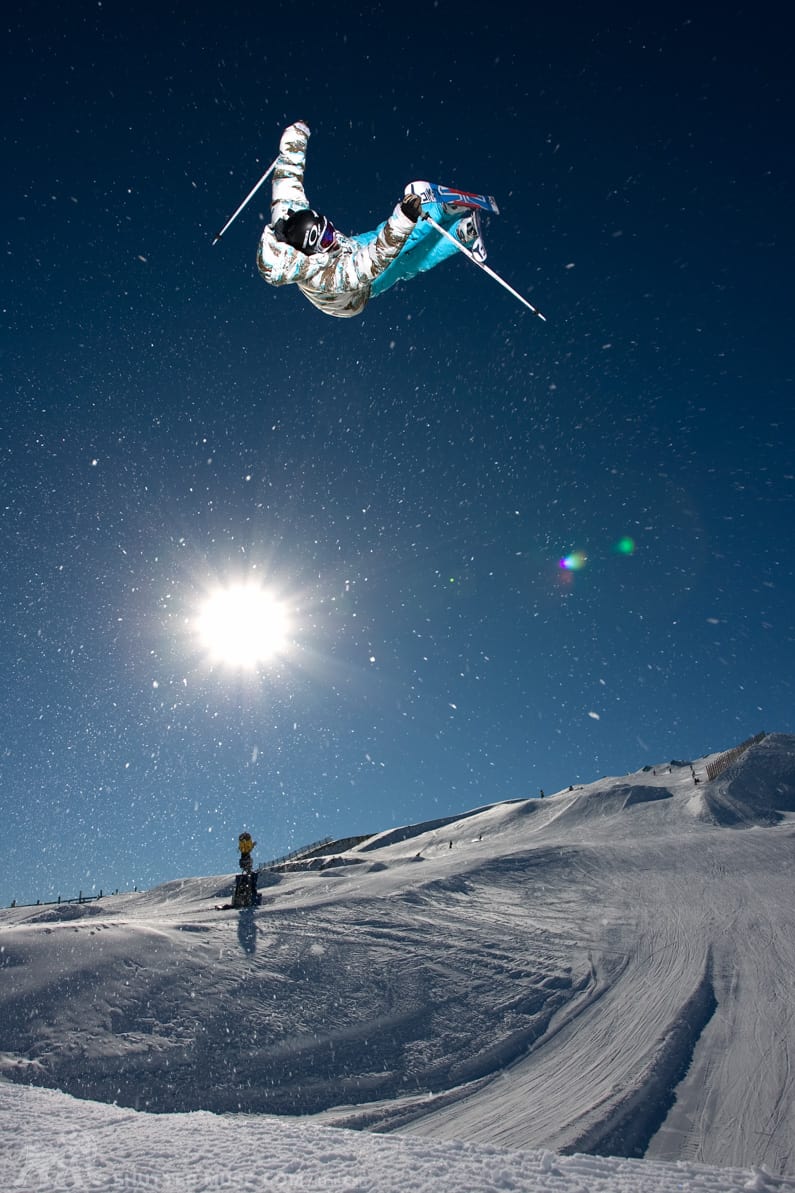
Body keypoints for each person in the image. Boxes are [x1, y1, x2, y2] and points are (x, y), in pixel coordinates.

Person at [256, 121, 487, 318]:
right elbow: (374, 259)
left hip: (350, 249)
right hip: (356, 292)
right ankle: (461, 233)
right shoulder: (327, 279)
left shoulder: (288, 217)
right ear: (311, 253)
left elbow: (287, 175)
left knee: (386, 235)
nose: (332, 237)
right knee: (405, 261)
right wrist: (404, 219)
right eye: (326, 240)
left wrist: (295, 135)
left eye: (329, 230)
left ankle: (445, 211)